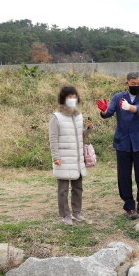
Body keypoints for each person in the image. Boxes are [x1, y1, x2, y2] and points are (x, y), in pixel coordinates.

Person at [96, 72, 139, 220]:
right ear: (127, 84)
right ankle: (129, 205)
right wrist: (104, 111)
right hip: (123, 142)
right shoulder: (118, 97)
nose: (137, 86)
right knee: (124, 175)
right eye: (133, 84)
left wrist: (130, 107)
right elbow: (109, 113)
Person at [49, 86, 93, 225]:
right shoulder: (56, 117)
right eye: (69, 97)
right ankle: (65, 215)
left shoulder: (79, 116)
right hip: (63, 157)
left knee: (78, 187)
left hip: (77, 157)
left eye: (74, 97)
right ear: (63, 99)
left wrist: (89, 129)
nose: (72, 99)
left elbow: (81, 137)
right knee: (63, 189)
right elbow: (53, 139)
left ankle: (77, 212)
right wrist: (56, 157)